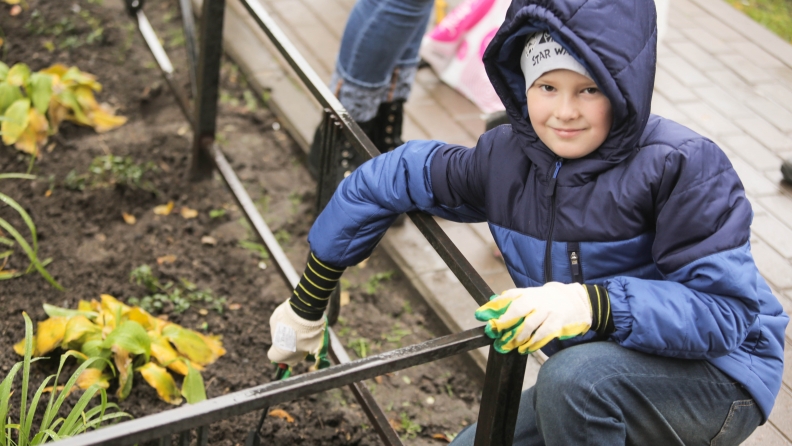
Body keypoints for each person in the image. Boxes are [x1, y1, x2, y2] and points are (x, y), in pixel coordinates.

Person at [269, 0, 789, 444]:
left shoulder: (681, 166)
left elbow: (726, 313)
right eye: (547, 87)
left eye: (589, 89)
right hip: (598, 370)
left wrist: (592, 304)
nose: (564, 111)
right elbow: (390, 176)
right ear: (522, 86)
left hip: (719, 374)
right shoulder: (507, 160)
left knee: (574, 380)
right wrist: (308, 300)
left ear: (624, 87)